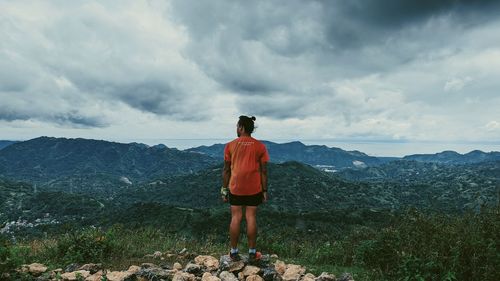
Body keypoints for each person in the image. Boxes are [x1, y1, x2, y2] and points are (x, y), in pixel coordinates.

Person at [221, 115, 270, 263]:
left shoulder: (230, 145)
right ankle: (252, 252)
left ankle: (234, 252)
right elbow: (264, 171)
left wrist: (224, 189)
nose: (236, 129)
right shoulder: (260, 146)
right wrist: (264, 190)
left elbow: (226, 170)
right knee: (251, 217)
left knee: (236, 217)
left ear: (241, 127)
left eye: (237, 126)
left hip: (235, 187)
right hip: (254, 188)